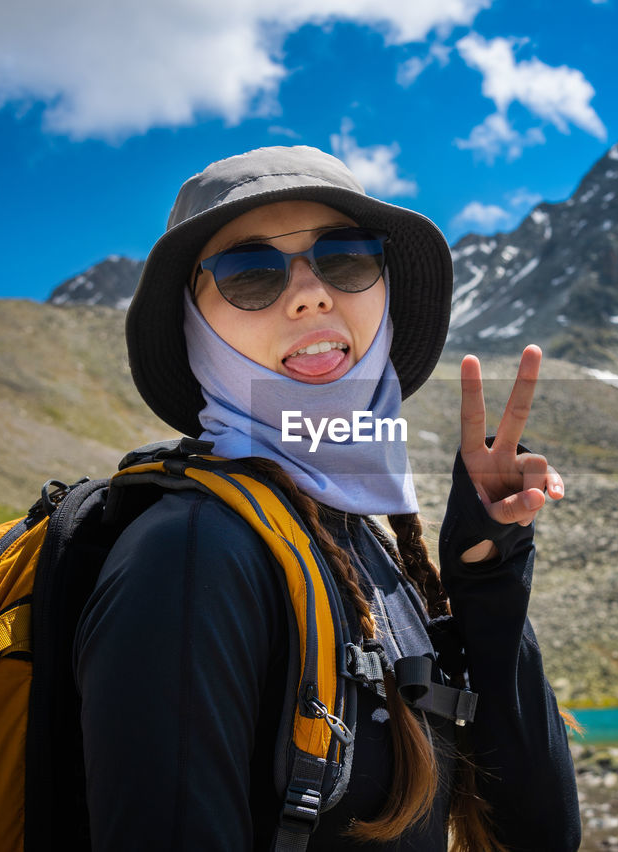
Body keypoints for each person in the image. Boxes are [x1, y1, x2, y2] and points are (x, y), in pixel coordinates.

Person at [73, 146, 581, 851]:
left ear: (384, 290)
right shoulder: (190, 556)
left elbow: (540, 836)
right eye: (249, 273)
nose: (311, 293)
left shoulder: (368, 542)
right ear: (194, 327)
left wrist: (487, 570)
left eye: (345, 259)